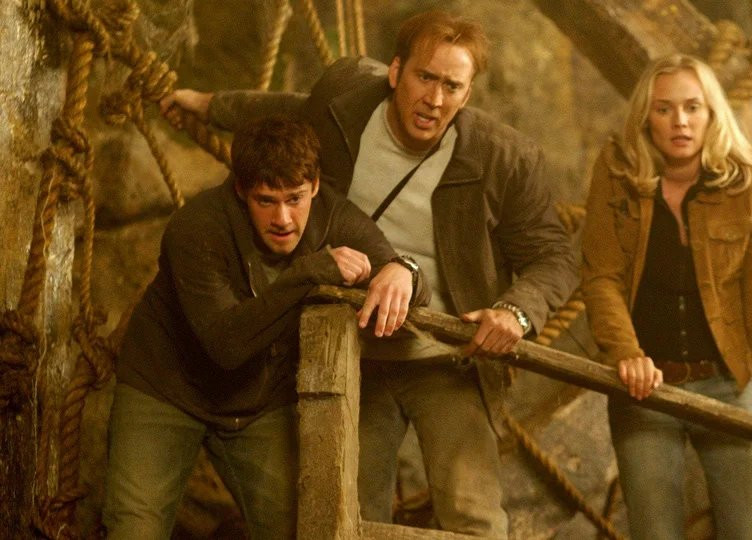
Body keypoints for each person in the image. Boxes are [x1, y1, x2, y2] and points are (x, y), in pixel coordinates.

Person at [161, 10, 577, 538]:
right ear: (396, 72)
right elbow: (290, 111)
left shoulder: (505, 158)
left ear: (468, 93)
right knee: (349, 512)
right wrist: (209, 105)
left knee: (472, 514)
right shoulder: (345, 99)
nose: (435, 99)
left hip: (448, 354)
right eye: (425, 77)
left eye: (452, 86)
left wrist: (515, 312)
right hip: (351, 347)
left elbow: (554, 255)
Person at [101, 117, 428, 539]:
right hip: (164, 389)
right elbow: (227, 345)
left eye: (295, 198)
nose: (283, 218)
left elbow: (407, 281)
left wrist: (405, 270)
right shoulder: (198, 226)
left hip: (257, 402)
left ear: (314, 186)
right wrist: (307, 273)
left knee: (297, 530)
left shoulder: (334, 216)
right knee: (133, 530)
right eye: (266, 201)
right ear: (241, 190)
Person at [581, 53, 752, 540]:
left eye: (693, 107)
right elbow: (602, 276)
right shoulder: (618, 174)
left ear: (712, 113)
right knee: (655, 531)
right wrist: (627, 354)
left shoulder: (749, 186)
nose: (680, 121)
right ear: (646, 117)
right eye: (664, 108)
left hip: (729, 383)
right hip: (645, 387)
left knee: (748, 529)